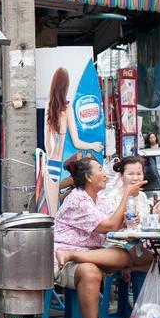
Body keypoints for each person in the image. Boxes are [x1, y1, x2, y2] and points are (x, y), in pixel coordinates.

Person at [53, 155, 157, 318]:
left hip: (90, 253)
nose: (105, 174)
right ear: (89, 177)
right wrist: (126, 193)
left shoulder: (99, 198)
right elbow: (108, 225)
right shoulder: (78, 199)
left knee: (137, 256)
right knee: (91, 272)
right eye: (100, 169)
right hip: (60, 257)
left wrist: (129, 214)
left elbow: (116, 222)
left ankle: (73, 254)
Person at [42, 68, 103, 215]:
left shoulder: (48, 106)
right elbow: (77, 143)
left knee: (51, 211)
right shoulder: (66, 108)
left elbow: (46, 142)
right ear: (65, 86)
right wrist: (93, 146)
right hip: (57, 164)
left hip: (49, 164)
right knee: (56, 210)